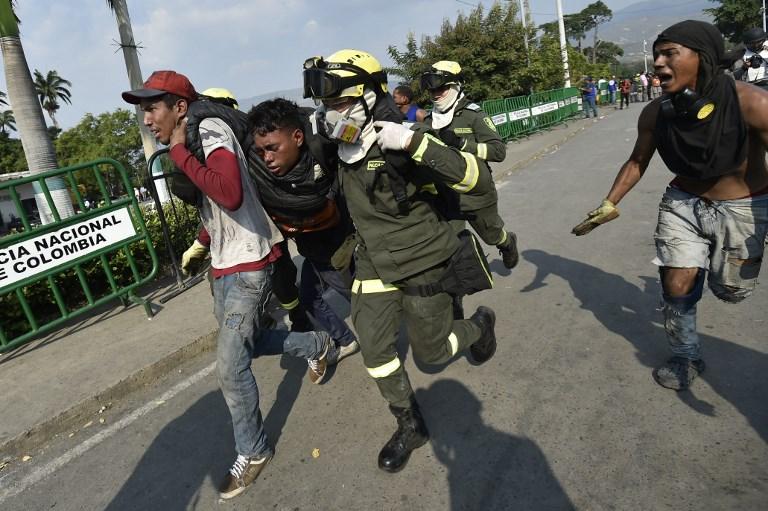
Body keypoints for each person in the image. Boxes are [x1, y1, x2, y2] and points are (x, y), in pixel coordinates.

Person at [122, 71, 334, 500]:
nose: (146, 119)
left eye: (152, 108)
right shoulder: (193, 135)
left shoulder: (209, 129)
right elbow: (213, 205)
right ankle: (316, 344)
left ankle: (252, 450)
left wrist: (179, 153)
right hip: (225, 264)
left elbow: (231, 192)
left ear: (180, 106)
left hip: (251, 263)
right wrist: (202, 243)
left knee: (230, 365)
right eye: (142, 110)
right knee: (249, 346)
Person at [303, 49, 498, 472]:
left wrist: (414, 142)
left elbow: (477, 182)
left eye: (341, 104)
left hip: (422, 257)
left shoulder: (403, 141)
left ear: (372, 96)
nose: (333, 115)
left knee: (432, 353)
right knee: (374, 349)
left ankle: (479, 325)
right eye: (326, 106)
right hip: (372, 260)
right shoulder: (335, 146)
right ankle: (410, 423)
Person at [571, 20, 768, 391]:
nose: (658, 63)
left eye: (669, 54)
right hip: (684, 202)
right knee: (677, 283)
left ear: (703, 58)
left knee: (732, 291)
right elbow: (637, 162)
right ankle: (685, 355)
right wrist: (608, 203)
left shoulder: (754, 104)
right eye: (656, 55)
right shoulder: (656, 112)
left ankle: (713, 269)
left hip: (744, 207)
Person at [246, 97, 360, 363]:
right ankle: (346, 341)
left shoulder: (322, 154)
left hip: (339, 251)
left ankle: (386, 342)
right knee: (309, 298)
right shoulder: (270, 179)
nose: (268, 158)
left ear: (297, 137)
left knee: (363, 302)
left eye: (273, 148)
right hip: (313, 253)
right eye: (262, 152)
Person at [420, 60, 519, 271]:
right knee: (450, 246)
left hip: (476, 194)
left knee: (491, 235)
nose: (435, 93)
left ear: (455, 86)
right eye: (431, 89)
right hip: (445, 197)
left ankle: (508, 243)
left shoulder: (473, 116)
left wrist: (463, 144)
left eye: (441, 88)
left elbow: (498, 152)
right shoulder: (429, 121)